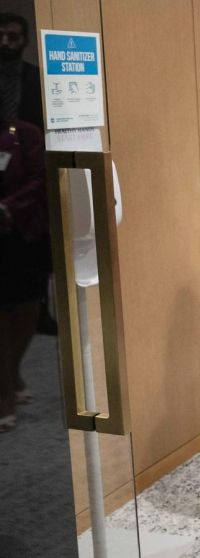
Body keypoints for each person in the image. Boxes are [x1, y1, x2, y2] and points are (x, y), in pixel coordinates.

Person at [0, 115, 46, 433]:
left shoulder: (25, 134)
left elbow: (40, 178)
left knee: (29, 310)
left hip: (25, 234)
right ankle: (4, 396)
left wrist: (8, 207)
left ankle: (12, 372)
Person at [0, 13, 43, 130]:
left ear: (25, 41)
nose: (4, 42)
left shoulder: (39, 78)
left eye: (12, 37)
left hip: (29, 144)